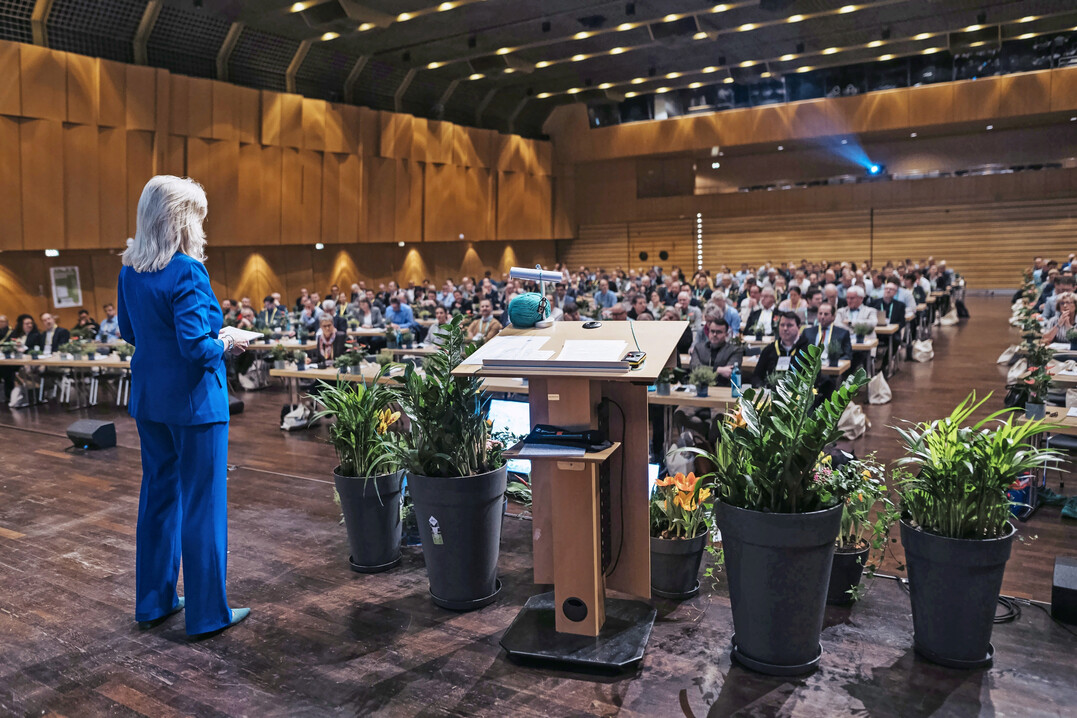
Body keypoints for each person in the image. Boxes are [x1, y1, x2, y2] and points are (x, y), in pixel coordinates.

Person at [116, 175, 250, 637]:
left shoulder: (130, 270)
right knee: (202, 504)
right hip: (195, 403)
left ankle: (153, 602)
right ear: (181, 219)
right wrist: (227, 342)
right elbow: (197, 348)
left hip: (150, 400)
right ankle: (209, 613)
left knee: (158, 499)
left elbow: (130, 334)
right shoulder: (187, 270)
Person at [754, 312, 810, 387]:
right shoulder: (770, 349)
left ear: (799, 327)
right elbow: (757, 376)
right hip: (771, 394)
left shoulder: (808, 350)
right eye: (782, 325)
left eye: (789, 325)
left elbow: (813, 379)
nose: (785, 328)